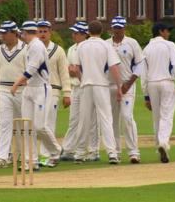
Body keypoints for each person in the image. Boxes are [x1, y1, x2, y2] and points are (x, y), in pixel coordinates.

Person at [11, 21, 62, 170]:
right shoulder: (29, 46)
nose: (21, 36)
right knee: (27, 127)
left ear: (26, 33)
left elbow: (31, 70)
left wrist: (16, 84)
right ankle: (31, 161)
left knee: (39, 126)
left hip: (41, 89)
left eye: (22, 33)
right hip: (29, 89)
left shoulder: (37, 46)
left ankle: (56, 150)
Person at [72, 20, 122, 164]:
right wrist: (119, 87)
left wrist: (83, 80)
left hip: (86, 86)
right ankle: (112, 153)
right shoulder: (106, 45)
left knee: (84, 120)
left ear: (88, 31)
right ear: (102, 31)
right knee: (106, 119)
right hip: (101, 85)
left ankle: (79, 154)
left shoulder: (81, 46)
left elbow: (75, 69)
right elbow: (114, 68)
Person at [141, 23, 175, 163]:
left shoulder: (146, 49)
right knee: (167, 115)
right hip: (167, 82)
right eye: (167, 30)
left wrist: (145, 95)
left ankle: (160, 145)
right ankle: (163, 142)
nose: (169, 33)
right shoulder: (170, 45)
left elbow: (143, 73)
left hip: (151, 84)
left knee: (157, 117)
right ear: (161, 31)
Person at [106, 16, 145, 164]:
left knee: (127, 117)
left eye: (120, 27)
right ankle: (115, 152)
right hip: (110, 86)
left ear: (124, 28)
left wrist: (129, 83)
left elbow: (140, 64)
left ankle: (134, 152)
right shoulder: (106, 44)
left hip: (127, 84)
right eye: (115, 27)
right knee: (112, 120)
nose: (117, 30)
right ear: (112, 28)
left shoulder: (132, 43)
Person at [0, 21, 27, 168]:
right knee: (5, 124)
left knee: (22, 124)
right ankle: (2, 157)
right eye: (2, 32)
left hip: (22, 91)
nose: (2, 35)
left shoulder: (25, 49)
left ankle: (23, 155)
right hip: (3, 90)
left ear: (14, 33)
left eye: (5, 32)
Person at [61, 22, 100, 161]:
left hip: (88, 87)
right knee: (74, 119)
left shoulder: (90, 48)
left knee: (91, 120)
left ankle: (94, 151)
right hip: (75, 88)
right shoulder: (71, 49)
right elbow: (67, 69)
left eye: (76, 33)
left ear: (85, 34)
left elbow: (89, 68)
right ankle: (68, 149)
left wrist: (77, 73)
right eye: (73, 32)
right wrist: (73, 72)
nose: (73, 35)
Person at [36, 20, 71, 165]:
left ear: (50, 32)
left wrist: (67, 93)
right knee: (38, 125)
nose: (42, 34)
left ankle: (49, 155)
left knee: (48, 124)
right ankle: (53, 152)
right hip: (36, 91)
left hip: (54, 90)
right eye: (40, 31)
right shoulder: (32, 49)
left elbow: (64, 73)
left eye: (45, 31)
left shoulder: (58, 50)